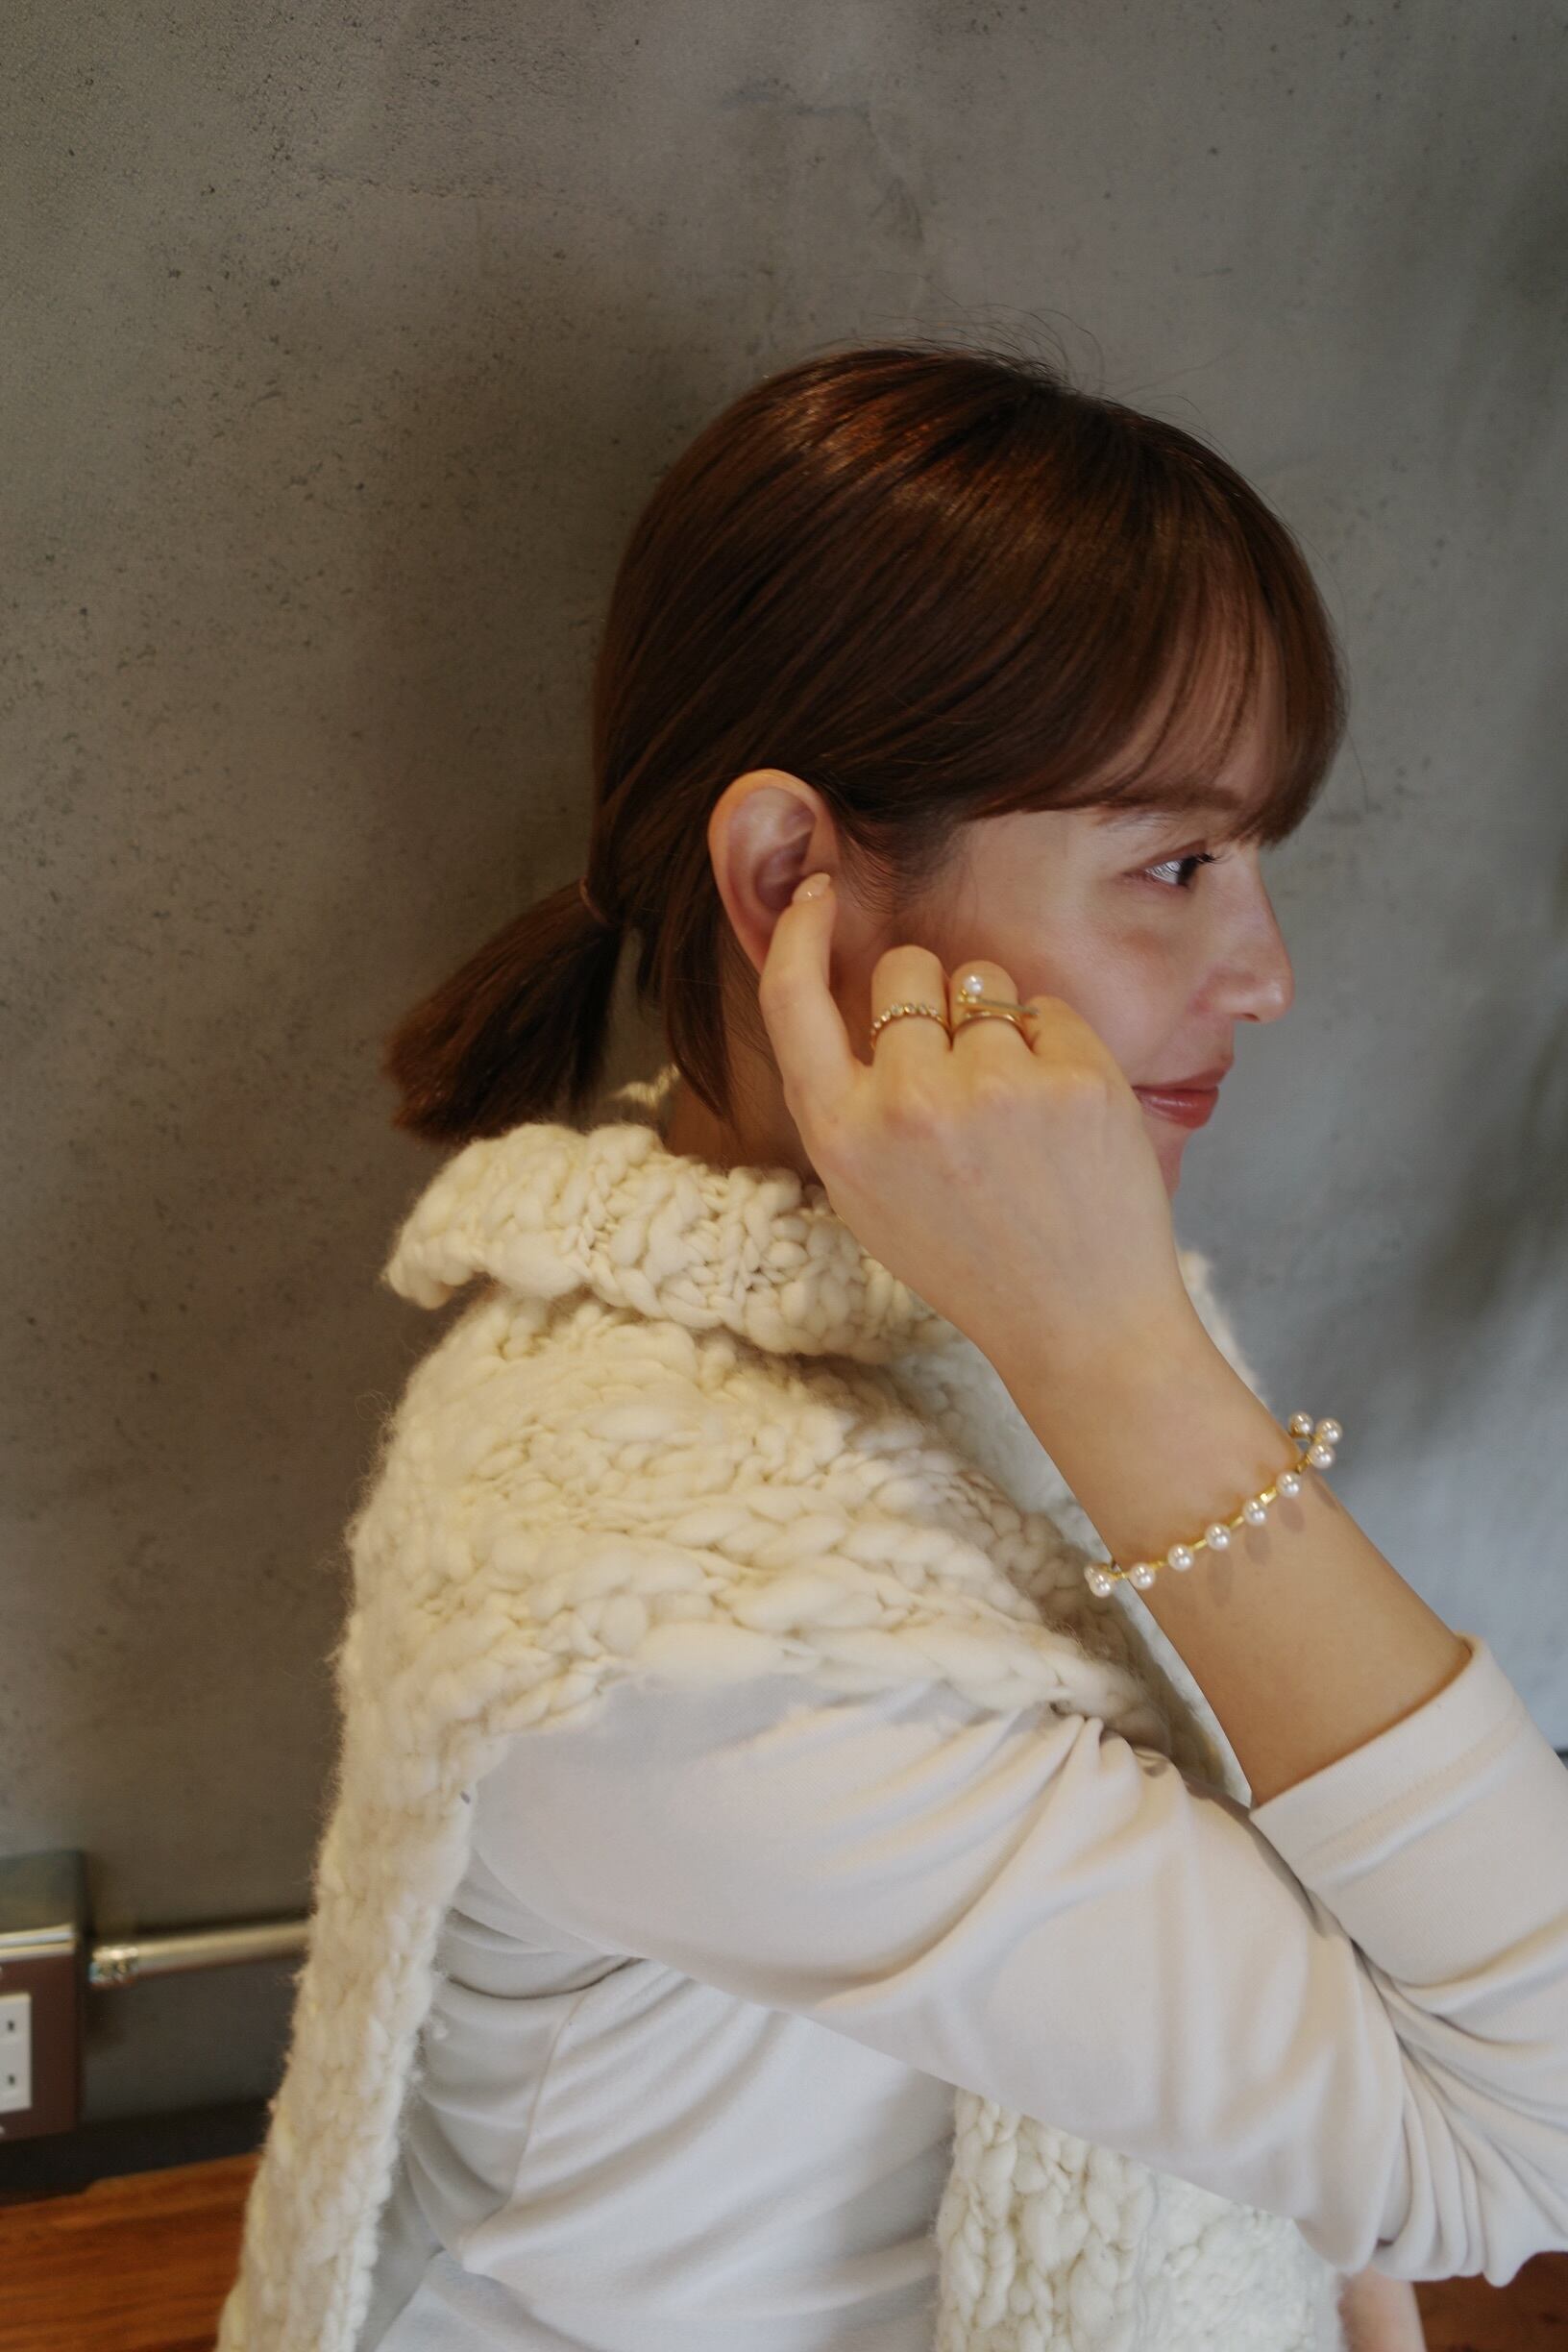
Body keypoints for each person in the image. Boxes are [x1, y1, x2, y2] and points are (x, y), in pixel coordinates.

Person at [216, 342, 1568, 2352]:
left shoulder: (968, 1314)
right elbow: (1526, 2133)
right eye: (1175, 864)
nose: (1267, 974)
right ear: (795, 882)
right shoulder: (674, 1633)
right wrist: (1120, 1359)